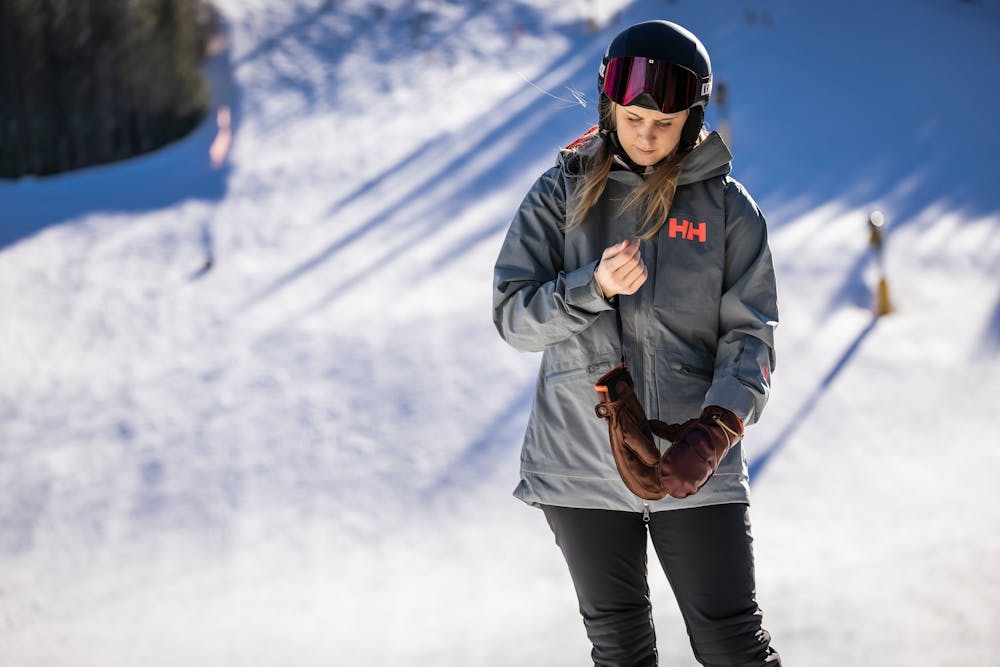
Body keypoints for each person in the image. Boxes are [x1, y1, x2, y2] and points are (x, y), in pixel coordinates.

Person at [492, 20, 781, 667]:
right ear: (609, 107)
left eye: (665, 124)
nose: (647, 135)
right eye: (632, 119)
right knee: (620, 649)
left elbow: (751, 335)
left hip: (694, 458)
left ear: (692, 119)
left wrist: (713, 433)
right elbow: (513, 316)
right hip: (578, 460)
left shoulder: (730, 210)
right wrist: (590, 284)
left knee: (733, 642)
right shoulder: (559, 193)